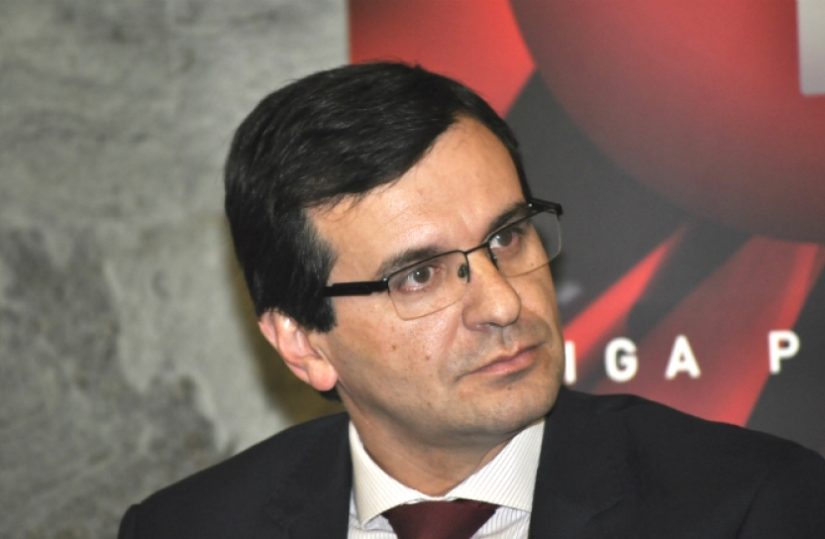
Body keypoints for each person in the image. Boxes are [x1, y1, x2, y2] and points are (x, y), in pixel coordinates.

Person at [119, 62, 825, 538]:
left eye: (508, 237)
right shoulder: (187, 528)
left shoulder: (750, 507)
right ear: (303, 342)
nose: (503, 304)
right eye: (418, 276)